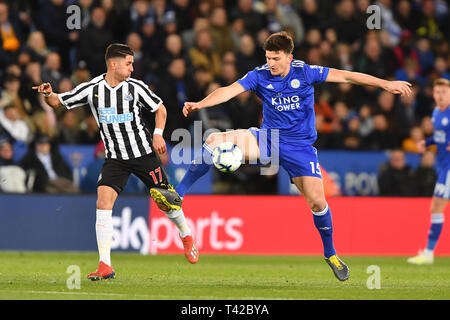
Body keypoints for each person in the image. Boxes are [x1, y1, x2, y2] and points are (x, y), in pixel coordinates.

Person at [151, 31, 412, 282]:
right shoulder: (259, 75)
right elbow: (230, 89)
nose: (271, 63)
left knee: (317, 203)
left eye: (276, 58)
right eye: (268, 58)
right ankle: (178, 195)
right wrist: (200, 103)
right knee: (213, 140)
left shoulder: (306, 71)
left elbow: (347, 77)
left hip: (300, 147)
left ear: (289, 56)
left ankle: (330, 253)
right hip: (270, 140)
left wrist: (385, 84)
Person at [32, 43, 198, 281]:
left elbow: (160, 108)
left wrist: (158, 133)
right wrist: (48, 94)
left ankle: (186, 235)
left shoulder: (136, 87)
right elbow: (59, 102)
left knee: (167, 201)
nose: (132, 68)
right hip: (115, 159)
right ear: (114, 64)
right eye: (128, 63)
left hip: (143, 155)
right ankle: (105, 265)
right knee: (103, 203)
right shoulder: (93, 89)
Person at [408, 78, 450, 265]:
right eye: (437, 92)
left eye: (444, 92)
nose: (440, 96)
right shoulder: (436, 113)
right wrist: (428, 142)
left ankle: (429, 253)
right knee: (436, 207)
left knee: (436, 207)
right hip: (442, 165)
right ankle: (429, 253)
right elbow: (440, 137)